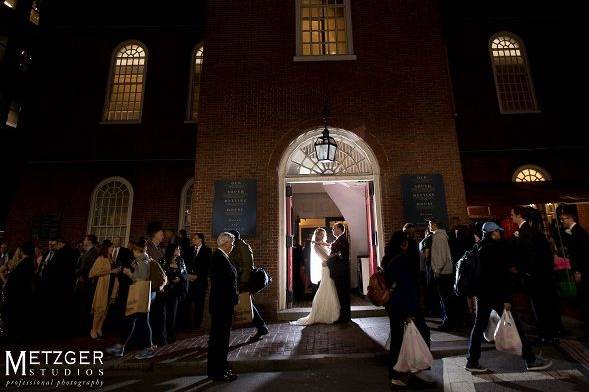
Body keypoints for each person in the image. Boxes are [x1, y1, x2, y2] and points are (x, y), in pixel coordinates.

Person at [465, 222, 552, 373]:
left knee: (478, 328)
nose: (500, 234)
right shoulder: (494, 249)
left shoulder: (478, 247)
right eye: (498, 232)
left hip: (483, 295)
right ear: (493, 233)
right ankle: (530, 360)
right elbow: (499, 277)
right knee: (516, 326)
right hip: (497, 295)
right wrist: (506, 299)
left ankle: (472, 361)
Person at [383, 231, 431, 388]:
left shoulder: (388, 258)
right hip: (404, 305)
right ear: (403, 244)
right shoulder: (402, 261)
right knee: (409, 337)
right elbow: (406, 287)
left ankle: (399, 373)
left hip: (394, 305)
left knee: (398, 339)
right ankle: (402, 373)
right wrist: (409, 312)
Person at [511, 206, 560, 342]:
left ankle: (546, 333)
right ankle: (549, 331)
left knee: (539, 305)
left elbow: (529, 255)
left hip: (535, 276)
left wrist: (526, 272)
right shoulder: (532, 231)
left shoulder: (525, 232)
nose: (511, 217)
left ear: (519, 215)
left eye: (512, 214)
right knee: (543, 304)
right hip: (541, 274)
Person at [106, 239, 156, 360]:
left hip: (140, 294)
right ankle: (124, 347)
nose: (132, 252)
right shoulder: (142, 260)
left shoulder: (143, 262)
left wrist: (130, 274)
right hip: (143, 295)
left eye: (133, 250)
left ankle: (123, 348)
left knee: (133, 320)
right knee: (140, 321)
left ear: (136, 250)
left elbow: (141, 279)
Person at [207, 232, 239, 382]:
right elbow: (221, 284)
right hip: (221, 305)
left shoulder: (223, 257)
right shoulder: (218, 258)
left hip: (224, 304)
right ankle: (217, 372)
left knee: (222, 338)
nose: (232, 246)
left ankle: (222, 368)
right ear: (225, 244)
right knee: (219, 339)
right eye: (231, 243)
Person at [291, 228, 340, 325]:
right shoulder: (316, 247)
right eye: (320, 235)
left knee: (330, 289)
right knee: (326, 289)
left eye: (323, 234)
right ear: (316, 235)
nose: (321, 236)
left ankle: (330, 311)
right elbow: (326, 257)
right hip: (326, 269)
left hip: (328, 268)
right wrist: (337, 254)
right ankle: (323, 313)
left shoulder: (321, 243)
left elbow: (329, 245)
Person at [229, 230, 268, 341]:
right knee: (248, 304)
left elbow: (248, 266)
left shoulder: (243, 247)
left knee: (246, 304)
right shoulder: (236, 246)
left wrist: (243, 283)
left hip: (242, 281)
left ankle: (261, 327)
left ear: (234, 237)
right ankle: (261, 328)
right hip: (237, 281)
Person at [559, 205, 589, 340]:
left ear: (570, 218)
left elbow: (581, 254)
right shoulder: (576, 232)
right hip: (581, 270)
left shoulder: (578, 232)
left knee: (584, 300)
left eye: (563, 219)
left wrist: (578, 271)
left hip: (582, 271)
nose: (562, 222)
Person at [89, 240, 121, 339]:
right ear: (106, 248)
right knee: (100, 308)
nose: (112, 249)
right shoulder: (101, 258)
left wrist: (117, 270)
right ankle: (93, 329)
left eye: (113, 247)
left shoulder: (112, 259)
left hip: (112, 286)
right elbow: (93, 272)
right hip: (103, 286)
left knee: (106, 309)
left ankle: (99, 327)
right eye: (111, 247)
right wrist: (111, 271)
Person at [4, 242, 36, 339]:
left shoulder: (27, 262)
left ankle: (17, 334)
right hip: (19, 292)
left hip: (19, 294)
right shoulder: (27, 261)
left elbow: (19, 278)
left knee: (18, 315)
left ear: (22, 251)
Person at [428, 218, 454, 331]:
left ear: (434, 225)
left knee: (445, 298)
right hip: (445, 271)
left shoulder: (438, 237)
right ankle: (448, 321)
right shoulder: (441, 236)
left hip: (443, 273)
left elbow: (441, 256)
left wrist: (437, 270)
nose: (429, 226)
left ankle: (448, 322)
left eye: (430, 224)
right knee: (445, 298)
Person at [145, 221, 168, 346]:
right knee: (153, 315)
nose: (163, 235)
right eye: (160, 233)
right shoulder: (148, 247)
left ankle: (160, 340)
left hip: (159, 286)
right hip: (151, 287)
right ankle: (152, 341)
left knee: (159, 314)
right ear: (154, 234)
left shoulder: (158, 249)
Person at [163, 246, 188, 343]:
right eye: (177, 249)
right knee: (164, 312)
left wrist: (180, 278)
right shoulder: (165, 260)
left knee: (172, 313)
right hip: (166, 289)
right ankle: (163, 334)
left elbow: (185, 274)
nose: (179, 250)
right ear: (172, 251)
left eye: (179, 249)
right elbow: (162, 272)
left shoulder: (181, 260)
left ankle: (171, 335)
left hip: (176, 291)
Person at [187, 232, 212, 328]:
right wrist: (189, 275)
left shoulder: (207, 250)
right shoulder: (189, 249)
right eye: (193, 238)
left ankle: (197, 324)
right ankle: (188, 323)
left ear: (200, 239)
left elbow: (207, 266)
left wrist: (198, 276)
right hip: (189, 280)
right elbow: (187, 263)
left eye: (195, 238)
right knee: (188, 302)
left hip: (200, 281)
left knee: (199, 303)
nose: (193, 240)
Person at [328, 222, 351, 323]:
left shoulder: (343, 239)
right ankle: (345, 316)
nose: (332, 230)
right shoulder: (339, 239)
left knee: (343, 294)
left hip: (341, 271)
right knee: (341, 294)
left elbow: (342, 254)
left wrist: (332, 256)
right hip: (339, 270)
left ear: (340, 229)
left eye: (334, 228)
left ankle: (345, 317)